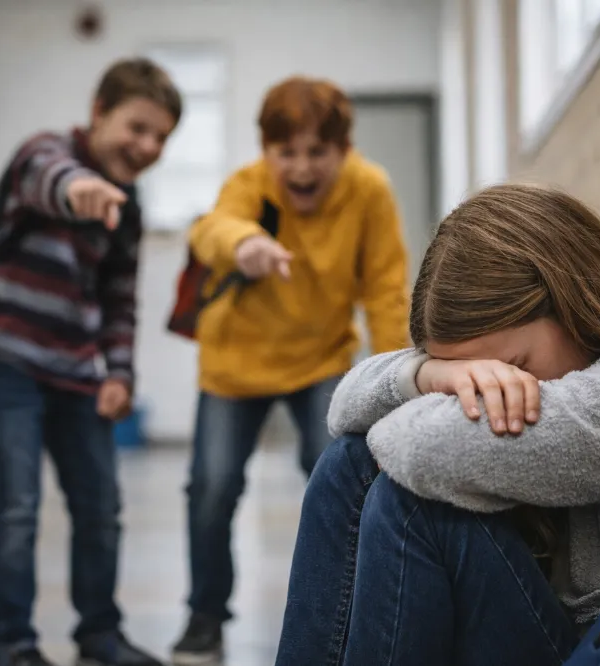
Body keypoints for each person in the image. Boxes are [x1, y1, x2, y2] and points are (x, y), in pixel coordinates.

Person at [273, 184, 600, 666]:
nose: (491, 391)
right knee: (350, 462)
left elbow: (418, 448)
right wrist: (426, 375)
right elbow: (344, 410)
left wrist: (429, 391)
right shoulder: (568, 365)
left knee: (410, 503)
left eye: (511, 368)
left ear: (571, 304)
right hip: (580, 644)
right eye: (474, 380)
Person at [172, 76, 411, 663]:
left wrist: (395, 385)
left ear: (344, 149)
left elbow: (385, 290)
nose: (301, 168)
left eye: (317, 152)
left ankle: (350, 611)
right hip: (235, 362)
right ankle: (205, 616)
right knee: (212, 487)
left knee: (340, 477)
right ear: (266, 150)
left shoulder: (369, 189)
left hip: (320, 359)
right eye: (287, 153)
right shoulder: (250, 184)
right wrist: (244, 244)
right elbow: (210, 230)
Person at [0, 58, 180, 666]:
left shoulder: (128, 207)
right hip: (7, 361)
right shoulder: (45, 152)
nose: (147, 146)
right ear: (98, 112)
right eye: (137, 128)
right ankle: (12, 644)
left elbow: (119, 301)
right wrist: (77, 189)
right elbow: (46, 175)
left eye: (161, 137)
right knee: (16, 508)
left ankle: (99, 634)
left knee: (100, 507)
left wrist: (120, 374)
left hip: (77, 371)